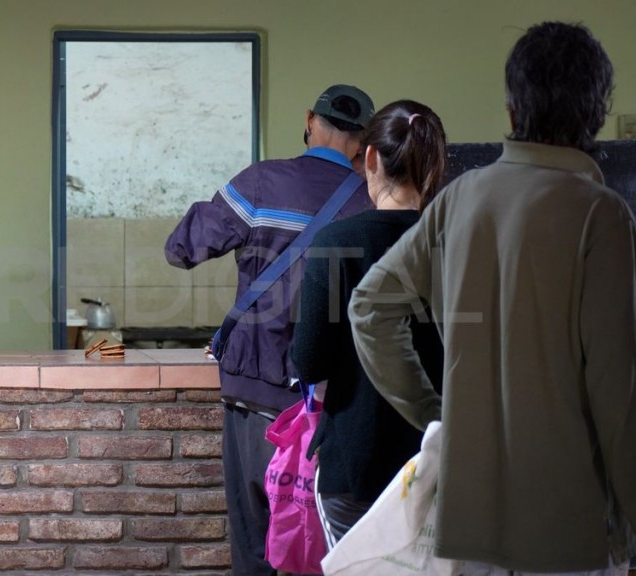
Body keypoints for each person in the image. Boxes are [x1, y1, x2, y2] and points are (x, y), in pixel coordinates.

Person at [348, 22, 636, 575]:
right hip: (566, 528)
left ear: (510, 109)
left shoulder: (460, 198)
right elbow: (615, 392)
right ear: (597, 113)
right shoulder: (601, 215)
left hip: (466, 524)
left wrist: (438, 417)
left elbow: (370, 306)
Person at [165, 84, 375, 575]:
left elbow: (181, 249)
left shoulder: (260, 183)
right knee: (318, 550)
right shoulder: (369, 201)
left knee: (255, 548)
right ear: (362, 142)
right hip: (329, 410)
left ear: (309, 120)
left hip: (254, 398)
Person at [289, 100, 447, 548]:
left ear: (371, 157)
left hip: (354, 467)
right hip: (442, 464)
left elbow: (309, 360)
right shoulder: (460, 243)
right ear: (435, 163)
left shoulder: (337, 243)